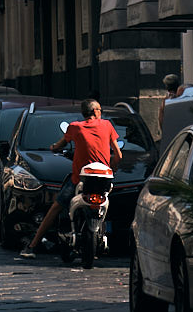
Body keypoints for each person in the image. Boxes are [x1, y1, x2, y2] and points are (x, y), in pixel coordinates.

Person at [19, 100, 122, 259]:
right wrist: (112, 167)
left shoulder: (75, 127)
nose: (101, 112)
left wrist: (53, 147)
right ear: (95, 111)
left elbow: (59, 145)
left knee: (56, 207)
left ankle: (33, 245)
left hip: (81, 179)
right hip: (104, 178)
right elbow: (118, 155)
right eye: (100, 109)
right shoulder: (107, 125)